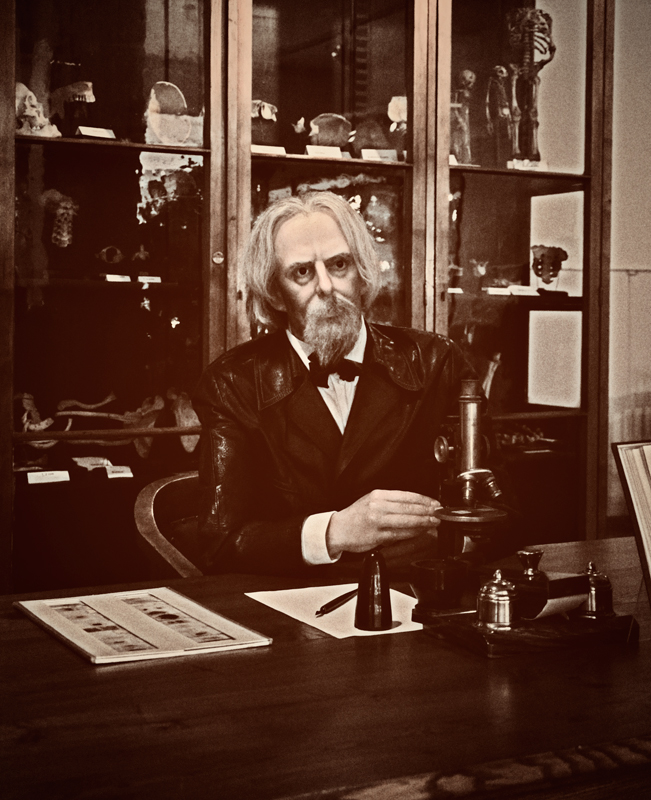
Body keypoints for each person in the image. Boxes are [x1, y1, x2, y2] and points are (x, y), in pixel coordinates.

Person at [192, 191, 516, 577]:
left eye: (339, 264)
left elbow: (504, 511)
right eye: (302, 272)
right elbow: (220, 545)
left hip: (414, 594)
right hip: (294, 602)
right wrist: (333, 532)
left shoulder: (437, 362)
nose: (326, 286)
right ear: (275, 294)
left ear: (361, 273)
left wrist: (452, 538)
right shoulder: (232, 382)